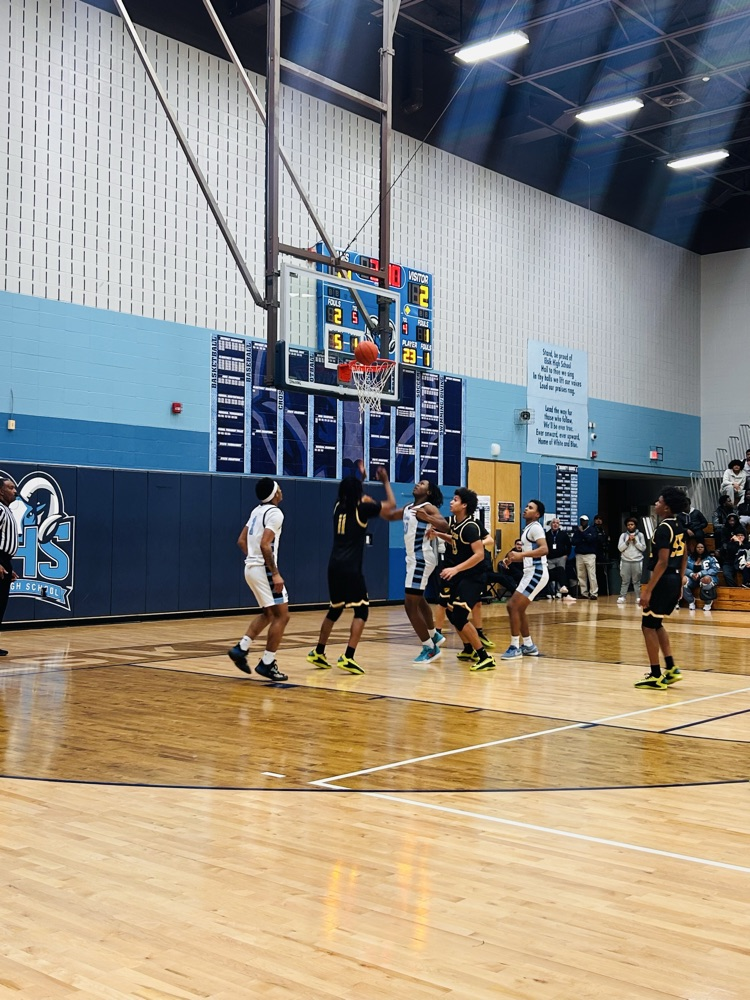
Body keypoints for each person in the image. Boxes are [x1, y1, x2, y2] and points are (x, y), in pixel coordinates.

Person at [307, 464, 395, 674]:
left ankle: (318, 652)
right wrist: (384, 481)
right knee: (362, 610)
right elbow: (390, 504)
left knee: (335, 609)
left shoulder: (338, 506)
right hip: (350, 568)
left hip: (334, 566)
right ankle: (348, 656)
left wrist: (361, 479)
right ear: (359, 493)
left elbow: (353, 493)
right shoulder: (362, 508)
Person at [228, 478, 290, 682]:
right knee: (282, 616)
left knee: (269, 614)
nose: (281, 491)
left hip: (251, 568)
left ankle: (241, 648)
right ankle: (267, 663)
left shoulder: (256, 511)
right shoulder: (275, 513)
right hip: (264, 570)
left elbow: (240, 541)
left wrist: (252, 560)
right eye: (279, 489)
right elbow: (265, 545)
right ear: (274, 494)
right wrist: (275, 573)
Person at [428, 489, 496, 671]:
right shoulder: (457, 525)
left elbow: (480, 554)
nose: (451, 502)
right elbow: (456, 541)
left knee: (458, 615)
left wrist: (455, 568)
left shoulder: (471, 527)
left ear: (464, 505)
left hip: (474, 576)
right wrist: (440, 535)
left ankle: (484, 657)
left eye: (455, 500)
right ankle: (469, 649)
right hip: (463, 575)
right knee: (452, 613)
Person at [381, 476, 446, 663]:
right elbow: (391, 515)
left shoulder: (428, 507)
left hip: (421, 558)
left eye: (423, 484)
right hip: (412, 559)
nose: (418, 484)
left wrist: (428, 518)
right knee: (418, 599)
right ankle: (434, 636)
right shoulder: (410, 507)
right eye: (419, 482)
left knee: (410, 605)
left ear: (429, 492)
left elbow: (445, 526)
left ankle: (429, 647)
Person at [635, 486, 689, 689]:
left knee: (647, 625)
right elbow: (684, 555)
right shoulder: (680, 526)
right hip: (673, 579)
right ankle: (671, 668)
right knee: (656, 624)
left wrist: (648, 589)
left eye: (658, 502)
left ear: (666, 507)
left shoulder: (664, 528)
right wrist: (681, 580)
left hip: (663, 579)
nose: (655, 504)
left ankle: (655, 674)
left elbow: (663, 561)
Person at [499, 499, 549, 660]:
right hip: (530, 571)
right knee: (517, 608)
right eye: (526, 506)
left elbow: (544, 549)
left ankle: (515, 646)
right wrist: (513, 559)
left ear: (537, 514)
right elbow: (529, 556)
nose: (526, 509)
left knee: (512, 606)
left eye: (530, 508)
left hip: (537, 572)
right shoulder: (528, 528)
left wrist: (520, 554)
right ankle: (528, 645)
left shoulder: (535, 528)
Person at [0, 475, 19, 657]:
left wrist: (7, 566)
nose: (14, 491)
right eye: (10, 487)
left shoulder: (6, 510)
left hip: (4, 560)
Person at [682, 541, 720, 611]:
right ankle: (691, 601)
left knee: (706, 579)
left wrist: (701, 573)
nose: (700, 549)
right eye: (698, 547)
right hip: (693, 579)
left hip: (707, 578)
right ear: (695, 548)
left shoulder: (711, 558)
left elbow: (715, 569)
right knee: (683, 580)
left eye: (701, 547)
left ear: (705, 548)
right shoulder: (689, 558)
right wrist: (691, 574)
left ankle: (708, 602)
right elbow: (683, 568)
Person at [617, 516, 646, 603]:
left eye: (632, 524)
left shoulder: (640, 535)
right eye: (628, 525)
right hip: (626, 560)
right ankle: (622, 596)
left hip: (637, 560)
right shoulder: (623, 535)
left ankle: (638, 597)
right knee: (625, 580)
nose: (630, 526)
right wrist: (627, 542)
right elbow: (620, 548)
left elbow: (643, 548)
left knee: (636, 580)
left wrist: (635, 542)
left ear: (635, 525)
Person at [572, 514, 598, 599]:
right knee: (581, 575)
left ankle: (594, 593)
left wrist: (582, 534)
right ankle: (584, 593)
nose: (582, 522)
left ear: (587, 521)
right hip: (579, 555)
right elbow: (574, 541)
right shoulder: (577, 531)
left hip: (590, 555)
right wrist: (583, 538)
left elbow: (591, 540)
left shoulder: (592, 530)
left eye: (584, 521)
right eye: (581, 520)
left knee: (591, 575)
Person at [545, 518, 571, 598]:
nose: (555, 524)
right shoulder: (547, 534)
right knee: (551, 576)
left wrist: (566, 555)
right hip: (550, 559)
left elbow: (569, 545)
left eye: (557, 523)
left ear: (559, 525)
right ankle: (553, 592)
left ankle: (560, 591)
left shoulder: (563, 534)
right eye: (553, 523)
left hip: (561, 558)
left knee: (561, 574)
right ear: (551, 524)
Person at [594, 514, 610, 596]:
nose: (598, 520)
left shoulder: (603, 530)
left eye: (600, 519)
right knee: (594, 573)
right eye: (597, 519)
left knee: (602, 573)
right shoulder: (592, 529)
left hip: (602, 554)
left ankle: (603, 590)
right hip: (594, 553)